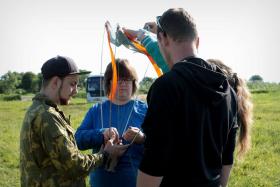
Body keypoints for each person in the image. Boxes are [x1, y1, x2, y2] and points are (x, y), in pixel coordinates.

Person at [129, 8, 239, 187]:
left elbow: (154, 161)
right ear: (198, 41)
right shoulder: (228, 91)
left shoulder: (166, 87)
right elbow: (227, 157)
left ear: (163, 39)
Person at [20, 55, 118, 187]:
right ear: (55, 82)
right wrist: (105, 154)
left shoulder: (37, 109)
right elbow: (73, 166)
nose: (76, 91)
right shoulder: (47, 115)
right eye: (72, 84)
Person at [75, 58, 147, 187]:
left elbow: (162, 144)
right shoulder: (96, 110)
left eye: (127, 79)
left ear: (133, 83)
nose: (123, 84)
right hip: (102, 182)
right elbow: (77, 140)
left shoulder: (145, 110)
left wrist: (142, 138)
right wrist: (101, 134)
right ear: (109, 83)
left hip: (135, 182)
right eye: (118, 80)